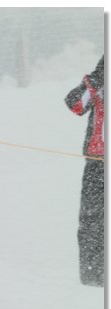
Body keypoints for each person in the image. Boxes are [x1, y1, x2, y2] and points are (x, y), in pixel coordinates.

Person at [65, 56, 104, 287]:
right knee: (92, 221)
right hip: (97, 163)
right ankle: (93, 278)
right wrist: (96, 79)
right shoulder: (100, 84)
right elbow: (75, 104)